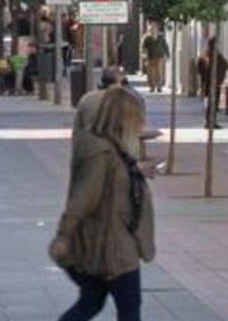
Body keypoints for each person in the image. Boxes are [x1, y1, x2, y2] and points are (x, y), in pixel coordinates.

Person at [50, 87, 155, 321]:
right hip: (111, 246)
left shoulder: (112, 147)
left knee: (91, 303)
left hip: (110, 241)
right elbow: (83, 197)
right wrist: (63, 235)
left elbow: (113, 176)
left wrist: (136, 170)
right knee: (127, 309)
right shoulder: (100, 152)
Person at [195, 37, 228, 129]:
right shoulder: (212, 56)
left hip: (210, 83)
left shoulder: (207, 55)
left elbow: (199, 68)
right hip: (212, 83)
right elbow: (224, 64)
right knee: (212, 103)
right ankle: (210, 121)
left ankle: (211, 121)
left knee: (212, 103)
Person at [140, 23, 169, 94]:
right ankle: (151, 87)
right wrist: (143, 55)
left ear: (157, 28)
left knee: (159, 72)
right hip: (150, 57)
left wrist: (167, 54)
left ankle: (159, 87)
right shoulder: (146, 37)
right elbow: (143, 47)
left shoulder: (161, 36)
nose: (152, 29)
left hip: (159, 56)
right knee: (150, 73)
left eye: (153, 28)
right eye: (150, 28)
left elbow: (165, 46)